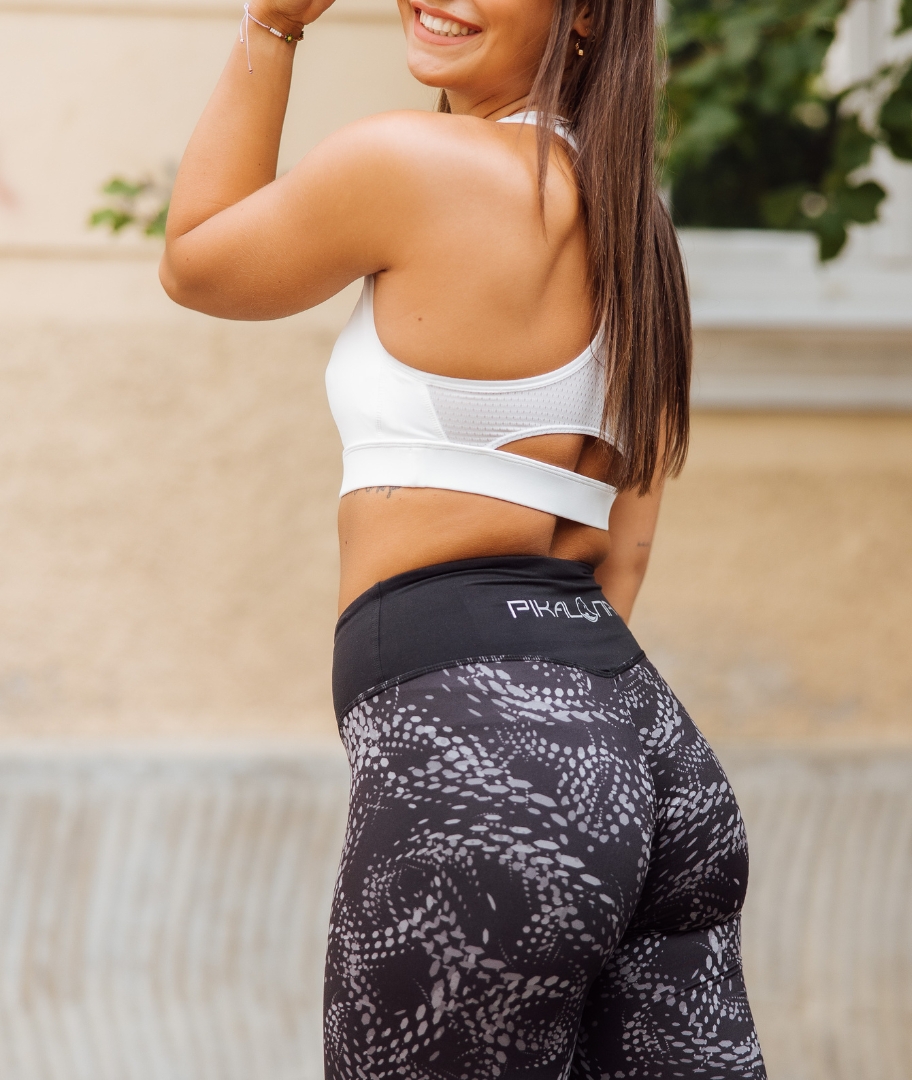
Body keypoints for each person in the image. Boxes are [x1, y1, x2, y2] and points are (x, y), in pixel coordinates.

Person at [160, 0, 766, 1073]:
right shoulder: (639, 228)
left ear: (585, 18)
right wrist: (557, 750)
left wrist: (273, 26)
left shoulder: (412, 161)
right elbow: (624, 548)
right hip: (646, 755)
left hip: (490, 770)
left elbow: (197, 260)